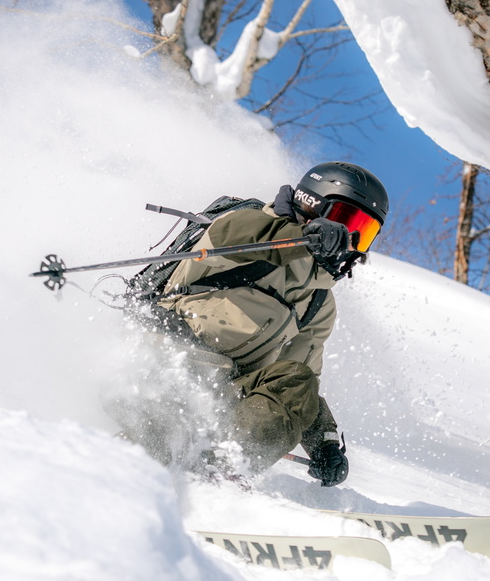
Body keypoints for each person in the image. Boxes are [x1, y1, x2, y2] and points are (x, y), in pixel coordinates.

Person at [150, 161, 389, 486]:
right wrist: (302, 238)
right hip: (161, 367)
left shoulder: (319, 302)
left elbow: (297, 387)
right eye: (346, 221)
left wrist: (325, 443)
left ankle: (221, 472)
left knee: (297, 378)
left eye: (365, 233)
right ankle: (122, 476)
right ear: (312, 204)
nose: (350, 239)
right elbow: (233, 234)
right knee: (160, 432)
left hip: (221, 396)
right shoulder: (250, 228)